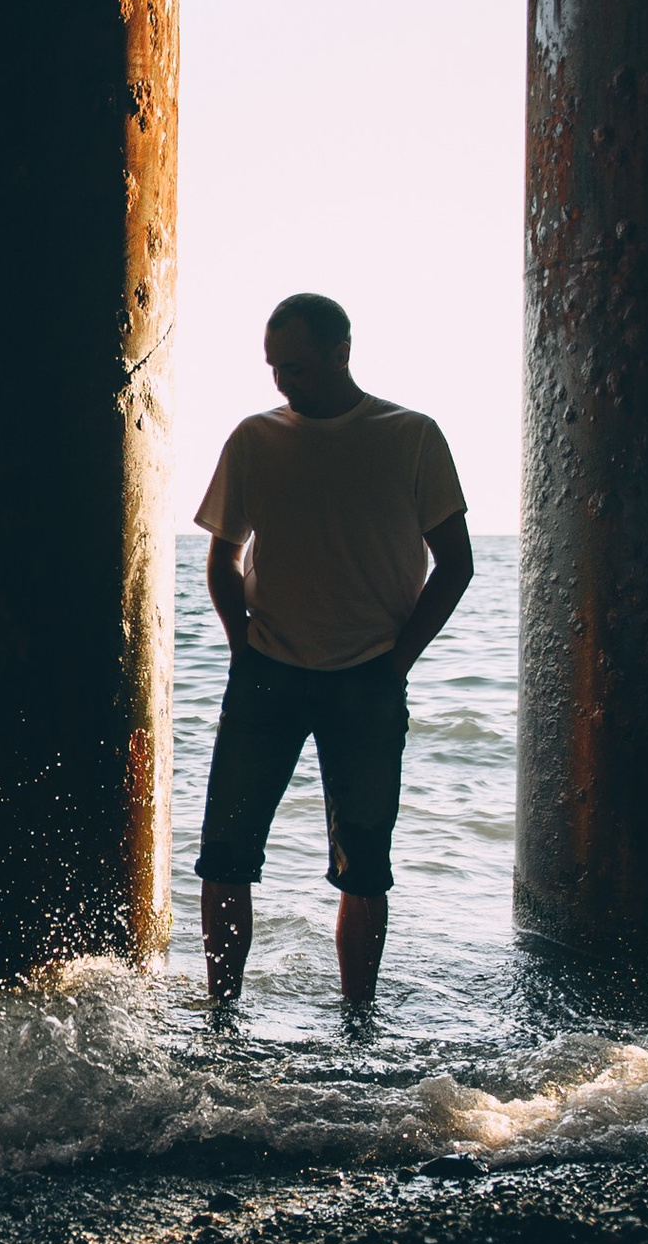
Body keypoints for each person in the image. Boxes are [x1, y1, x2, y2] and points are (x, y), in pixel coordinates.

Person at [195, 294, 473, 1006]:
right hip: (267, 672)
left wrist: (398, 661)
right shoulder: (255, 440)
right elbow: (223, 558)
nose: (281, 382)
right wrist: (240, 647)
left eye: (296, 367)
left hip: (367, 680)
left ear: (341, 352)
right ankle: (221, 1016)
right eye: (274, 368)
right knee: (225, 856)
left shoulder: (411, 436)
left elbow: (457, 564)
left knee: (364, 867)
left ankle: (358, 1020)